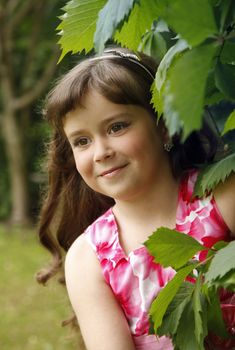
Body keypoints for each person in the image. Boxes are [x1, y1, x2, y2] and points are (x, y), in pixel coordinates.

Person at [37, 47, 235, 350]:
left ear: (164, 128)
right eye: (82, 141)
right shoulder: (89, 259)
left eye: (117, 127)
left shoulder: (221, 197)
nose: (101, 152)